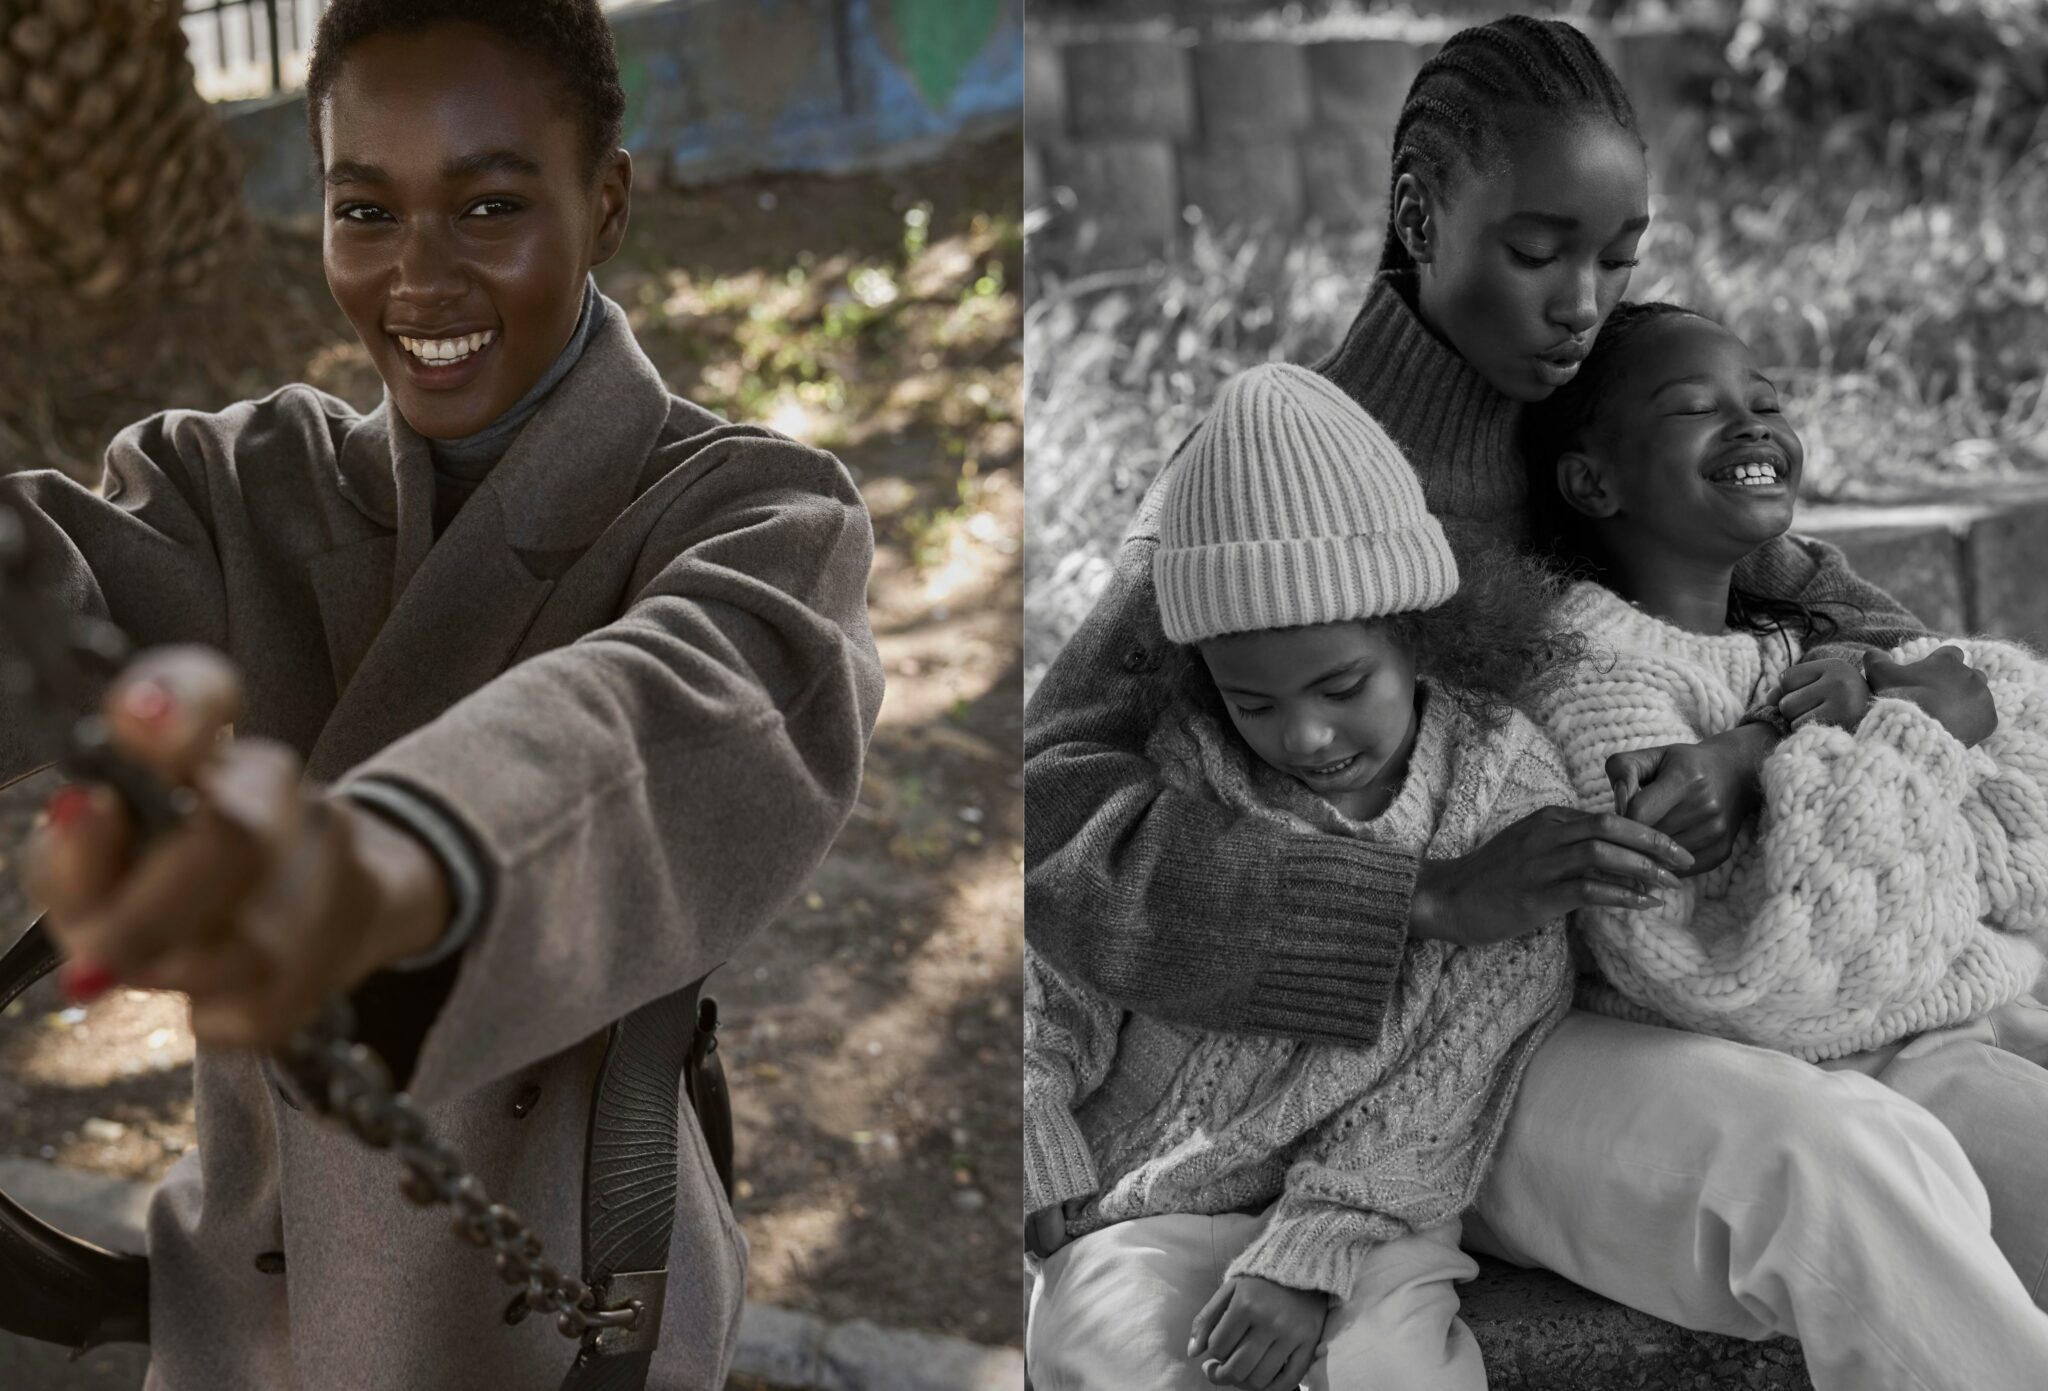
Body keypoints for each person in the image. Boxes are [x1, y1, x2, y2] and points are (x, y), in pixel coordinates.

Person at [1024, 14, 2045, 1390]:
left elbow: (1871, 633)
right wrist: (1412, 904)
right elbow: (1053, 803)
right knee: (1824, 1167)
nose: (1580, 302)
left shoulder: (1602, 425)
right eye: (1536, 249)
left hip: (1739, 970)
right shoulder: (1272, 484)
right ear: (1421, 215)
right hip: (1475, 1043)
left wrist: (1753, 744)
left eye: (1618, 258)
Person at [5, 2, 883, 1388]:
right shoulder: (235, 486)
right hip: (249, 1324)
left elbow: (670, 721)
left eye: (488, 204)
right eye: (366, 209)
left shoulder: (753, 511)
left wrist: (375, 865)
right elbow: (44, 580)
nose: (419, 277)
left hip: (560, 1318)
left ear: (606, 202)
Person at [1026, 363, 1585, 1391]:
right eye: (1254, 702)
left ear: (1418, 637)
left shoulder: (1501, 786)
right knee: (1101, 1347)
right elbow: (1057, 973)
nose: (1307, 735)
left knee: (1391, 1368)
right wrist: (1037, 1137)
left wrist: (1310, 1249)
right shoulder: (1184, 773)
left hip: (1370, 1210)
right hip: (1149, 1197)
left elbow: (1458, 1061)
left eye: (1342, 685)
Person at [1518, 298, 2048, 1307]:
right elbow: (1761, 974)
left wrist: (1861, 711)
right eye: (1694, 407)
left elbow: (2010, 771)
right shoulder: (1593, 684)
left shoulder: (1794, 638)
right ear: (1591, 479)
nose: (1753, 422)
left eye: (1765, 400)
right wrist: (1913, 730)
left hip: (1962, 1009)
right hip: (1873, 1070)